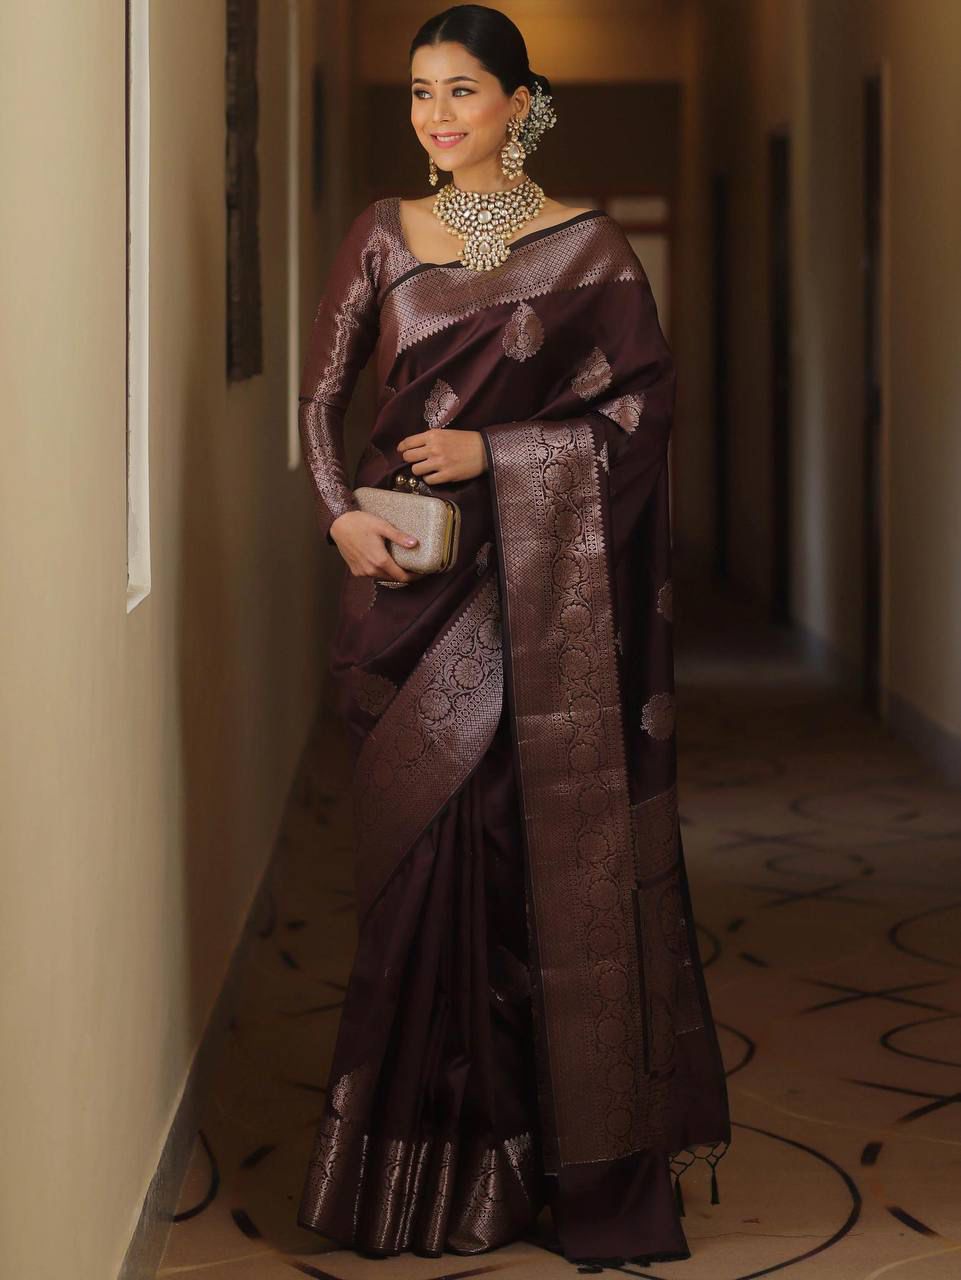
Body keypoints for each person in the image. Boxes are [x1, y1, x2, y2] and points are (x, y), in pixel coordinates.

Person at [295, 4, 730, 1266]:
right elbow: (320, 403)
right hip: (403, 599)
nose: (436, 115)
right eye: (419, 91)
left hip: (538, 606)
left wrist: (497, 453)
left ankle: (548, 1161)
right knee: (414, 884)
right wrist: (340, 519)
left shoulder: (588, 248)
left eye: (462, 90)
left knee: (524, 869)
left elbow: (642, 411)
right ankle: (413, 1173)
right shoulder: (383, 234)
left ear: (519, 104)